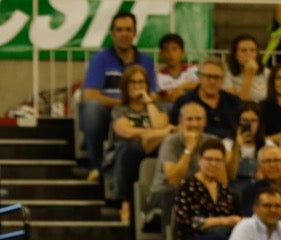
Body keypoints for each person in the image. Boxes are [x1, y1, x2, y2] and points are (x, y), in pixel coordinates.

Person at [77, 11, 156, 179]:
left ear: (135, 33)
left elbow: (154, 95)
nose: (124, 34)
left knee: (167, 108)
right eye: (119, 30)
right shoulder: (99, 59)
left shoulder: (146, 61)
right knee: (91, 109)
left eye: (128, 30)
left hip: (139, 111)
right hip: (108, 112)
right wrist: (123, 102)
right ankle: (96, 166)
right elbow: (90, 95)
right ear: (112, 34)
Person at [108, 64, 171, 223]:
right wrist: (158, 133)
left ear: (147, 85)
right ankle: (126, 203)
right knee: (129, 149)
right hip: (129, 151)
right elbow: (126, 132)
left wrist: (149, 103)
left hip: (156, 148)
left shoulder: (159, 108)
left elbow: (160, 124)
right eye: (132, 82)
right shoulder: (120, 109)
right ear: (125, 86)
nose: (137, 86)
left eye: (141, 82)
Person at [170, 57, 241, 140]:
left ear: (223, 80)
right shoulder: (184, 101)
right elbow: (175, 130)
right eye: (208, 76)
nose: (212, 81)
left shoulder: (233, 101)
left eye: (217, 77)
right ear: (200, 77)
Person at [154, 32, 197, 103]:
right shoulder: (157, 76)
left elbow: (201, 85)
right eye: (166, 50)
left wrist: (181, 88)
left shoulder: (192, 69)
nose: (170, 53)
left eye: (174, 49)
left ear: (182, 52)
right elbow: (158, 98)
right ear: (161, 53)